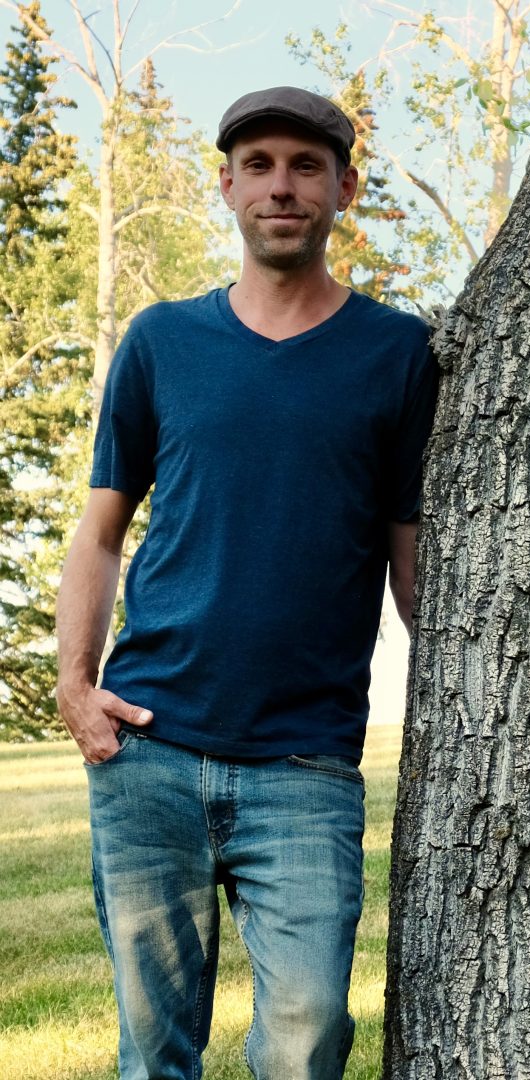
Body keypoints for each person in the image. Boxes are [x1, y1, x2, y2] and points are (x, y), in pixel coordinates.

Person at [54, 86, 437, 1080]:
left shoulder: (398, 355)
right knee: (154, 1055)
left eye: (307, 166)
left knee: (307, 1039)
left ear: (344, 187)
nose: (282, 185)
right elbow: (100, 534)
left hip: (305, 765)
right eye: (259, 165)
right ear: (224, 186)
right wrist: (76, 688)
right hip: (150, 748)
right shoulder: (160, 342)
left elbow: (411, 554)